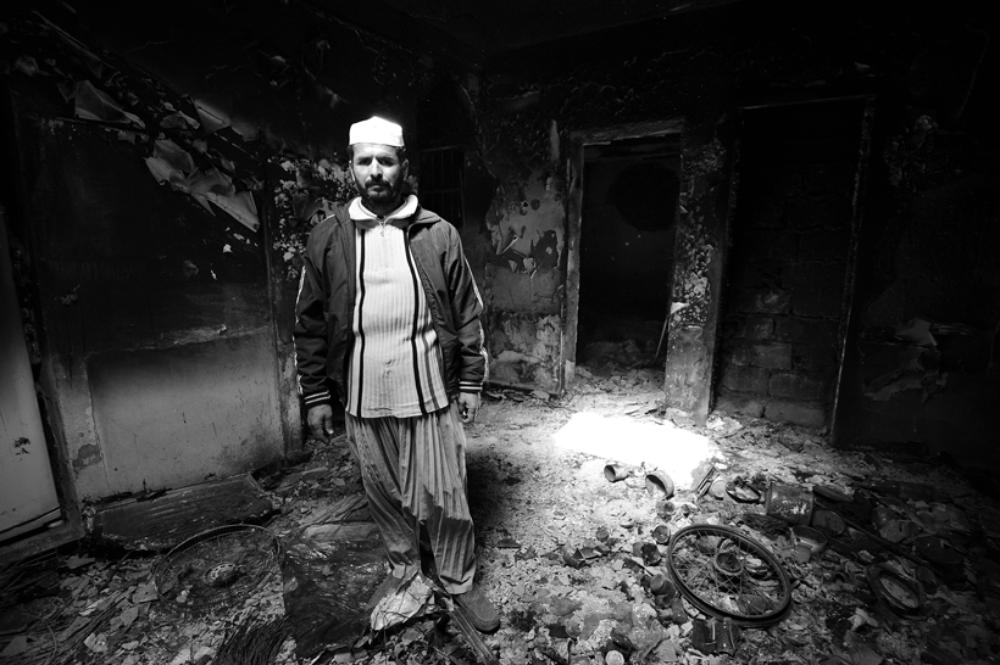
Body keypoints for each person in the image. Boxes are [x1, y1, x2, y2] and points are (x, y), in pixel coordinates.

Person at [293, 116, 499, 633]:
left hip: (428, 388)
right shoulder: (329, 236)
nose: (375, 171)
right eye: (364, 161)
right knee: (385, 495)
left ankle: (458, 580)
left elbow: (468, 311)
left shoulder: (438, 233)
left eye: (385, 160)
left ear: (403, 165)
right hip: (363, 394)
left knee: (445, 492)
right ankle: (406, 575)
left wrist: (470, 381)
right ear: (351, 168)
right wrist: (316, 395)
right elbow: (309, 322)